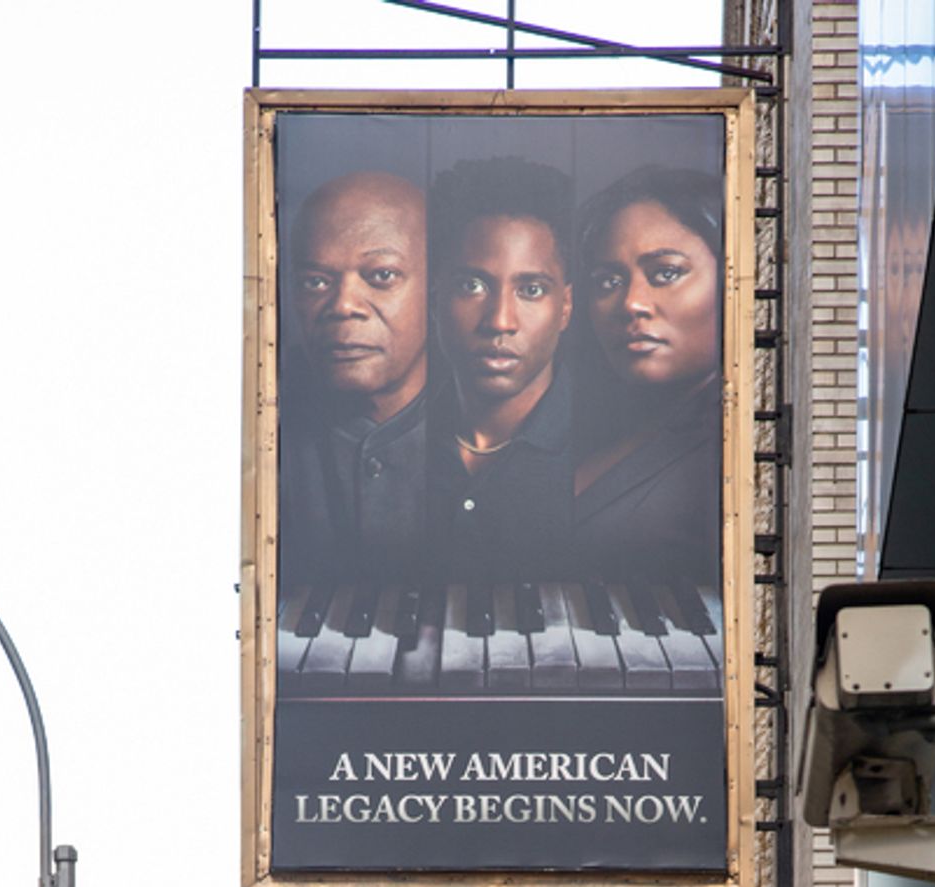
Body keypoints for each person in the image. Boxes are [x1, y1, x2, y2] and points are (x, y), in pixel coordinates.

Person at [573, 165, 724, 578]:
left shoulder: (731, 450)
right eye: (608, 281)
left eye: (666, 274)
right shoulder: (588, 421)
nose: (631, 303)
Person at [428, 158, 575, 580]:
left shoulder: (603, 447)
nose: (499, 321)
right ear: (435, 298)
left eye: (531, 289)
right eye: (472, 285)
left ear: (565, 306)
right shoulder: (401, 437)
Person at [280, 170, 429, 581]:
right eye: (315, 282)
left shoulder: (492, 424)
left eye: (381, 276)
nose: (343, 305)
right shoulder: (262, 417)